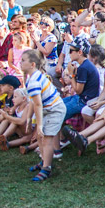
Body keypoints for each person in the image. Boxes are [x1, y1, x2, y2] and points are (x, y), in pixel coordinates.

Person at [21, 49, 67, 181]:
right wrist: (29, 118)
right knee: (39, 137)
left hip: (55, 110)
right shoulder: (32, 78)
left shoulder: (34, 81)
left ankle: (47, 168)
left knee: (46, 139)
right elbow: (32, 102)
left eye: (23, 60)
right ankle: (43, 161)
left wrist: (39, 125)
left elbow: (38, 104)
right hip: (47, 109)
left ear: (32, 65)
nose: (20, 63)